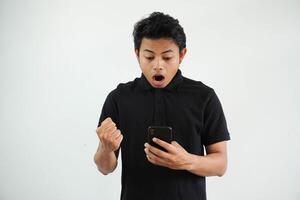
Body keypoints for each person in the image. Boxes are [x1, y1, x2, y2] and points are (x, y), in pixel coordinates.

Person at [94, 11, 231, 200]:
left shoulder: (204, 97)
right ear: (137, 54)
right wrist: (105, 147)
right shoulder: (119, 98)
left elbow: (221, 164)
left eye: (167, 57)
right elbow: (105, 167)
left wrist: (186, 161)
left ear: (182, 55)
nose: (158, 65)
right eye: (149, 57)